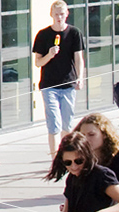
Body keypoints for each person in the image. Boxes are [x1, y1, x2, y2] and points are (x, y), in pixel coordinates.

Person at [33, 0, 86, 156]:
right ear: (51, 15)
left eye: (62, 14)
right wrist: (50, 55)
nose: (59, 17)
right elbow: (38, 62)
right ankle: (54, 157)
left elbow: (78, 59)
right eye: (56, 14)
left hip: (68, 85)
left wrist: (80, 77)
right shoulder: (43, 35)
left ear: (67, 14)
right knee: (54, 122)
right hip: (49, 85)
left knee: (67, 124)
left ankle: (66, 155)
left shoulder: (74, 33)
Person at [73, 113, 119, 212]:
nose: (86, 139)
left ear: (105, 135)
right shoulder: (80, 160)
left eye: (91, 134)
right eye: (82, 135)